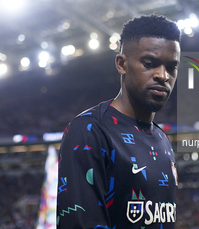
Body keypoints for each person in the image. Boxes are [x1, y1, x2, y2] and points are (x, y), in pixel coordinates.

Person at [57, 15, 181, 229]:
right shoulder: (90, 131)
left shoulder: (162, 139)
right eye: (150, 64)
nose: (163, 75)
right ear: (122, 64)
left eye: (172, 67)